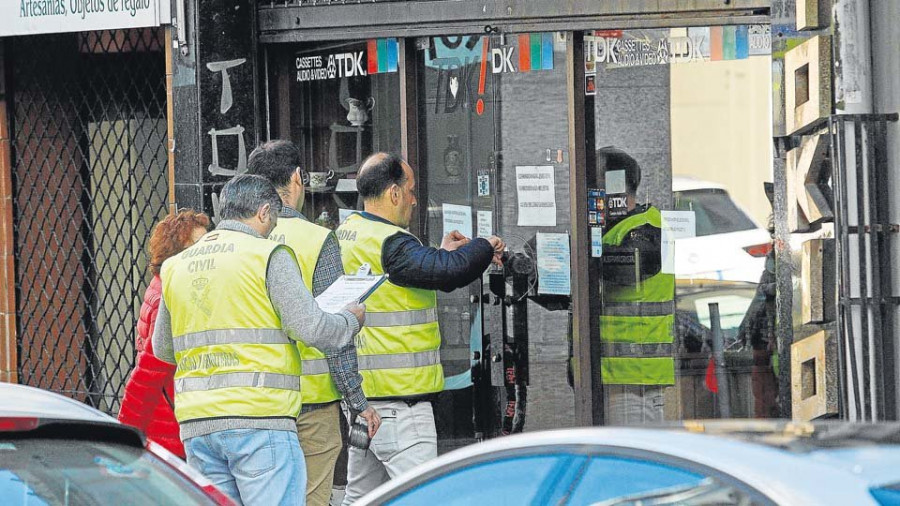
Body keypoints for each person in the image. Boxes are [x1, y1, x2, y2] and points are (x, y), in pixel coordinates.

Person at [151, 174, 366, 506]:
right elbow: (310, 328)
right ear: (264, 212)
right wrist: (351, 320)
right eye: (274, 218)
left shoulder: (177, 266)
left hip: (198, 425)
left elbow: (162, 348)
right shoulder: (268, 255)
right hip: (260, 420)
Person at [336, 153, 505, 504]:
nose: (415, 199)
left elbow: (412, 273)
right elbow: (446, 272)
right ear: (394, 194)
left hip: (365, 404)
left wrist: (439, 252)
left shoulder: (347, 233)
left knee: (360, 498)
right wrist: (485, 245)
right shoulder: (390, 241)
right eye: (411, 190)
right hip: (401, 409)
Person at [247, 140, 380, 506]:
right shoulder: (317, 240)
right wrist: (357, 401)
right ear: (296, 179)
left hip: (254, 404)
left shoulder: (232, 241)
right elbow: (334, 331)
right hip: (312, 405)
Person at [118, 209, 210, 458]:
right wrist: (125, 434)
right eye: (198, 245)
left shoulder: (161, 285)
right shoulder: (168, 297)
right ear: (177, 253)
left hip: (167, 420)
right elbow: (149, 374)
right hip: (171, 425)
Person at [598, 146, 675, 425]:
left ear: (612, 186)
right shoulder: (611, 230)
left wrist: (576, 257)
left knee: (630, 465)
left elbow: (626, 267)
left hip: (632, 381)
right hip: (620, 378)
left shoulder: (644, 227)